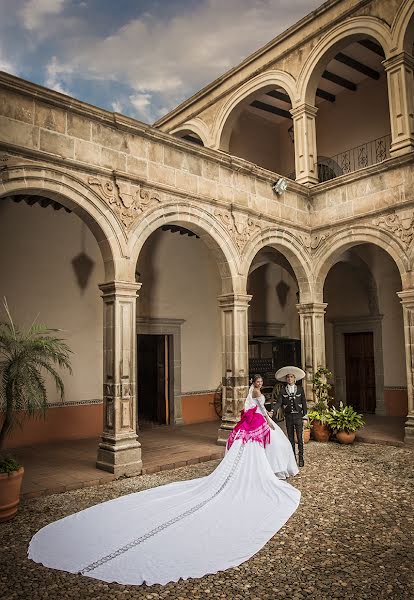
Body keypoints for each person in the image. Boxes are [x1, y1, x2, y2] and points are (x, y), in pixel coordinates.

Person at [28, 375, 300, 586]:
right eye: (259, 382)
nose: (260, 384)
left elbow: (249, 411)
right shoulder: (253, 395)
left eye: (261, 383)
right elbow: (251, 411)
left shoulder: (254, 395)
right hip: (254, 423)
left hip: (251, 424)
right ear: (255, 384)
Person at [273, 366, 308, 468]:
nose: (290, 379)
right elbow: (279, 402)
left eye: (291, 377)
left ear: (294, 378)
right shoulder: (283, 391)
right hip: (288, 417)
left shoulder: (300, 389)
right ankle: (293, 459)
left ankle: (301, 458)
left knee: (300, 439)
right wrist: (272, 411)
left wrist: (305, 417)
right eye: (288, 377)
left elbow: (304, 403)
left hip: (298, 416)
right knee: (291, 439)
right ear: (286, 379)